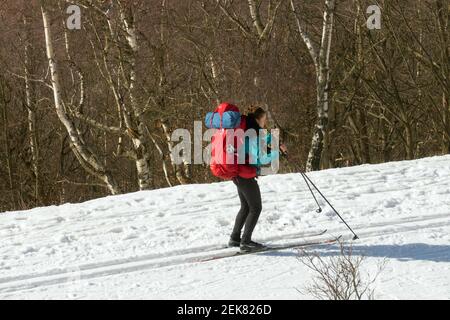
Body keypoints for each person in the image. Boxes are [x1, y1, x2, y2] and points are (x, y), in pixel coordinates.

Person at [228, 107, 288, 252]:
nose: (265, 121)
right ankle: (246, 242)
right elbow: (260, 157)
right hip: (245, 175)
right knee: (256, 207)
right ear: (259, 118)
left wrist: (273, 140)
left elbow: (261, 138)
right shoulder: (253, 133)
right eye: (265, 119)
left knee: (246, 206)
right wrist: (277, 152)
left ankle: (235, 238)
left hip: (237, 174)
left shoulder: (248, 127)